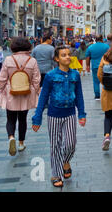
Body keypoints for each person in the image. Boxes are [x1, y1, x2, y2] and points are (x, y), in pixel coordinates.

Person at [32, 45, 87, 188]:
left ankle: (65, 161)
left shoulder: (75, 75)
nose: (67, 57)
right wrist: (37, 117)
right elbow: (43, 97)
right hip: (54, 115)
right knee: (55, 145)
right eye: (63, 55)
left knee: (70, 144)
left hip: (70, 114)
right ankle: (56, 174)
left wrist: (81, 113)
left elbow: (79, 96)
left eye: (68, 54)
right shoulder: (50, 76)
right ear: (57, 59)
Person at [0, 37, 41, 156]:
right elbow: (36, 79)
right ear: (28, 46)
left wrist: (1, 88)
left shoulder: (8, 59)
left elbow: (2, 77)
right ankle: (21, 143)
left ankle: (11, 137)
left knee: (10, 119)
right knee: (23, 119)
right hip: (26, 93)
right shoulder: (32, 61)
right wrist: (35, 90)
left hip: (11, 92)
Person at [85, 35, 110, 100]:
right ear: (102, 39)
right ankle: (106, 94)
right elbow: (110, 56)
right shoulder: (106, 46)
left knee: (95, 81)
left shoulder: (91, 47)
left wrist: (87, 66)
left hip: (95, 66)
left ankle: (97, 95)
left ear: (95, 39)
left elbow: (88, 57)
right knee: (105, 80)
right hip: (105, 66)